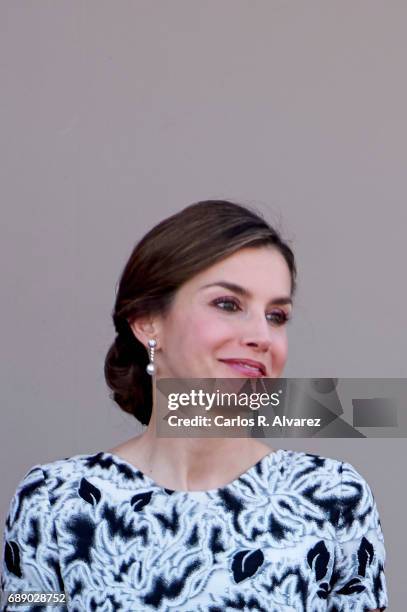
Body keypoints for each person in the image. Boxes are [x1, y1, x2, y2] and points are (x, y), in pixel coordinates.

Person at [1, 200, 388, 611]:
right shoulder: (54, 501)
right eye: (228, 304)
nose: (262, 334)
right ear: (148, 320)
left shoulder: (333, 499)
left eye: (276, 315)